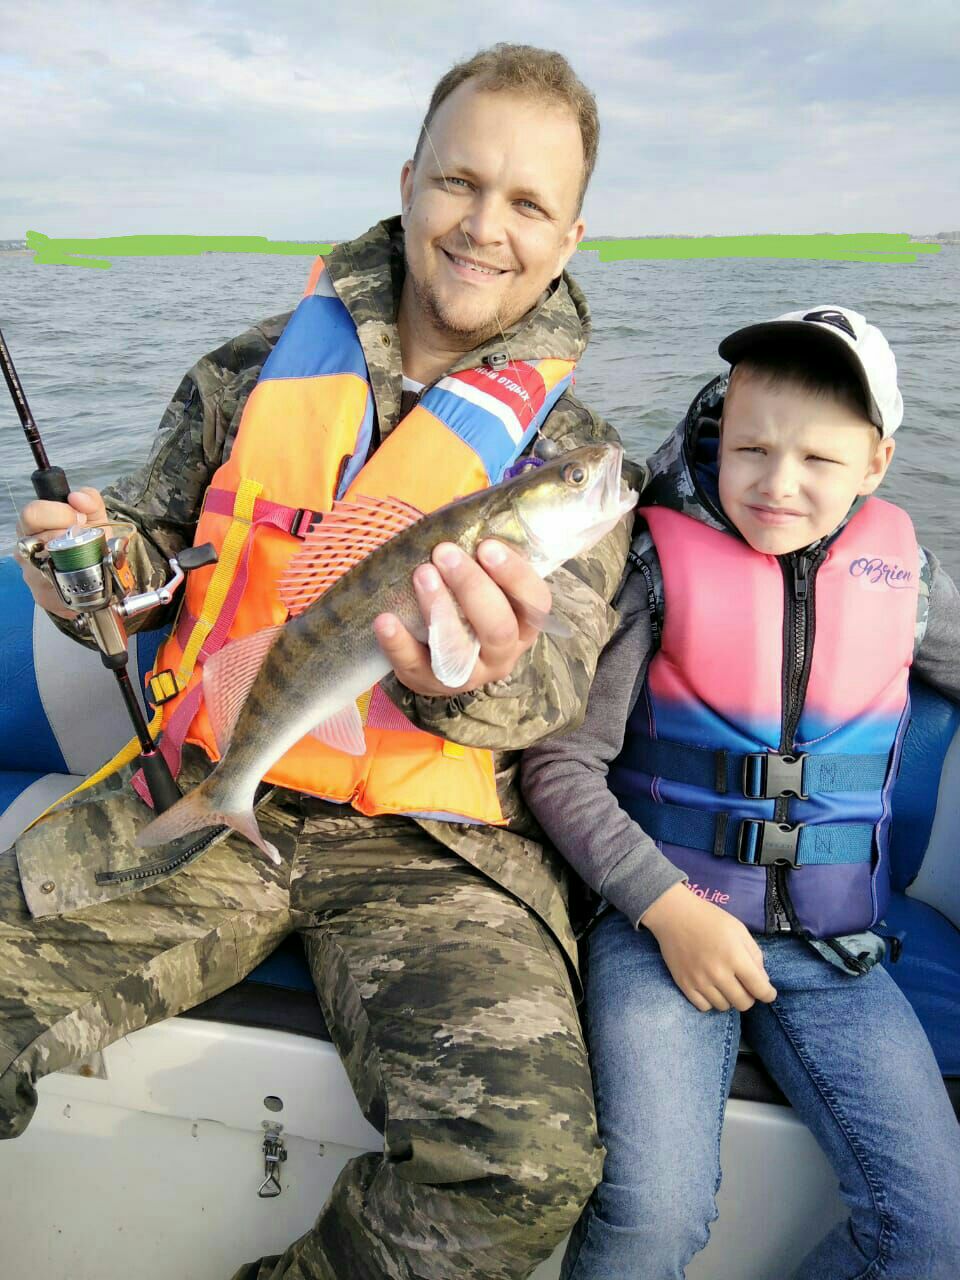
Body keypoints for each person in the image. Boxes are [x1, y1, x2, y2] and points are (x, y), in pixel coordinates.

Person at [3, 44, 632, 1280]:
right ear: (408, 181)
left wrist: (479, 669)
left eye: (528, 203)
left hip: (437, 849)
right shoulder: (246, 372)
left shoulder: (573, 454)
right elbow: (151, 552)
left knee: (521, 1169)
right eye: (459, 181)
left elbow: (556, 678)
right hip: (215, 768)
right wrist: (91, 568)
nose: (484, 225)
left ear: (569, 237)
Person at [522, 305, 960, 1279]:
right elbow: (559, 766)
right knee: (653, 1218)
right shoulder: (650, 567)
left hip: (835, 949)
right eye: (751, 448)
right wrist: (670, 912)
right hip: (657, 929)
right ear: (719, 436)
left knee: (935, 1236)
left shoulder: (910, 580)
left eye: (819, 459)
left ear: (877, 463)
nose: (777, 482)